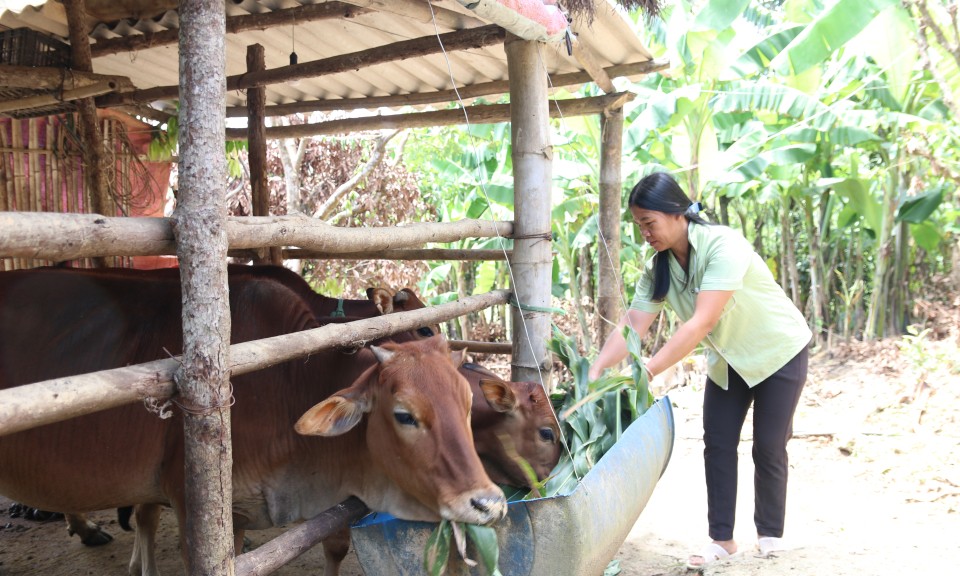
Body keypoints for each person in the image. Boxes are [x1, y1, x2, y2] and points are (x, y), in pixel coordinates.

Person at [588, 172, 812, 569]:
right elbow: (634, 323)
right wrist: (596, 369)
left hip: (778, 352)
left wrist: (647, 370)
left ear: (677, 214)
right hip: (729, 362)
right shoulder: (658, 268)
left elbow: (700, 323)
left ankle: (771, 535)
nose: (645, 233)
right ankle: (722, 539)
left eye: (649, 223)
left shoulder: (724, 245)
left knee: (769, 444)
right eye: (639, 225)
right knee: (718, 444)